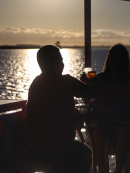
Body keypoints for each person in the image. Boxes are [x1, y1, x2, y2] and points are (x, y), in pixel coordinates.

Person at [27, 45, 92, 173]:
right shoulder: (66, 82)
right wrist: (89, 79)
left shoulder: (35, 83)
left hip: (36, 151)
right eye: (61, 60)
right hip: (59, 151)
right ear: (56, 62)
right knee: (85, 152)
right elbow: (92, 92)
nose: (63, 63)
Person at [81, 43, 130, 173]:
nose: (114, 60)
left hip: (119, 122)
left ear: (124, 60)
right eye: (111, 56)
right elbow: (86, 100)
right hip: (100, 122)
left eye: (118, 57)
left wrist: (106, 102)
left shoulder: (127, 81)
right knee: (99, 133)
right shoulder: (99, 78)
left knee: (123, 135)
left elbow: (129, 103)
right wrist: (85, 87)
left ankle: (117, 171)